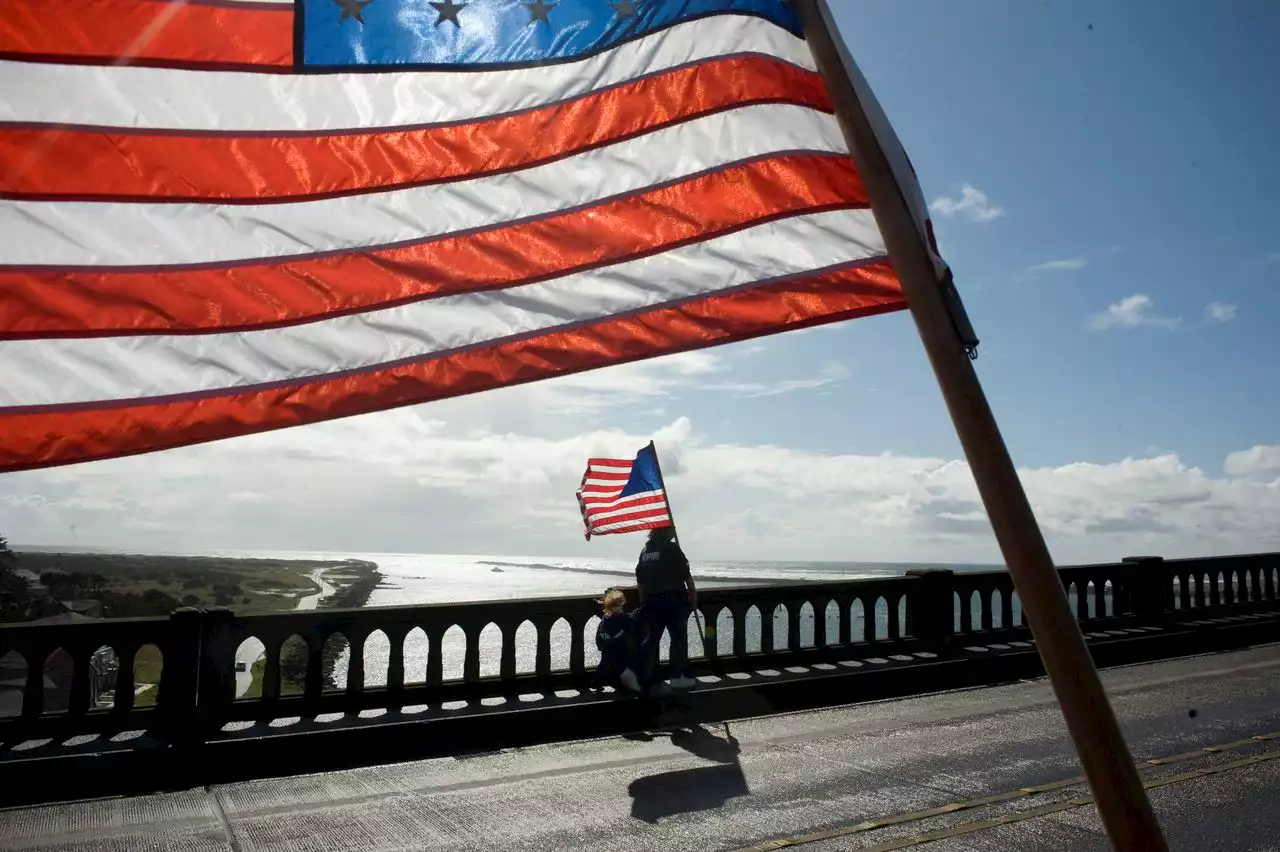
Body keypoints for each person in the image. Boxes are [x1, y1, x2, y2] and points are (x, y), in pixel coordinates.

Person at [635, 526, 698, 690]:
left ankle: (645, 677)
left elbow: (640, 582)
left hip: (651, 602)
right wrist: (693, 599)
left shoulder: (645, 551)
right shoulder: (672, 549)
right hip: (673, 602)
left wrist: (643, 603)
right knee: (678, 640)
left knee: (651, 640)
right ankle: (677, 678)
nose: (674, 532)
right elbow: (687, 578)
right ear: (667, 531)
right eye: (672, 529)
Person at [592, 587, 643, 693]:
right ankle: (606, 683)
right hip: (614, 645)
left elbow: (601, 632)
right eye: (620, 605)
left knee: (610, 664)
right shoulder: (617, 618)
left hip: (612, 645)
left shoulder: (608, 617)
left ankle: (599, 682)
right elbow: (629, 620)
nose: (621, 607)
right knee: (616, 664)